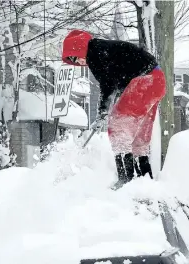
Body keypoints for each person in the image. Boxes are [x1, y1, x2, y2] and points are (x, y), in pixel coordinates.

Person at [62, 29, 166, 187]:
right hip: (156, 81)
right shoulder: (103, 48)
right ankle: (145, 179)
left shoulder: (94, 52)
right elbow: (117, 78)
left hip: (144, 81)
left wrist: (103, 111)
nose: (78, 62)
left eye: (75, 57)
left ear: (78, 47)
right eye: (73, 60)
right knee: (138, 134)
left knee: (117, 125)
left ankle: (126, 179)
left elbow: (107, 84)